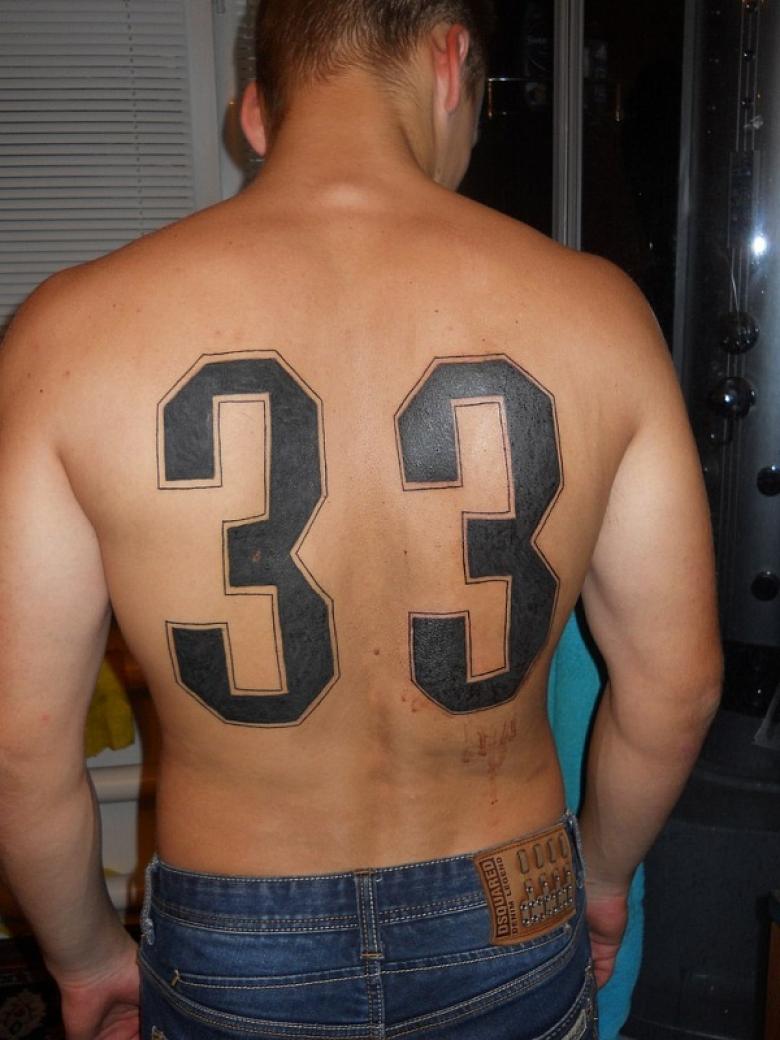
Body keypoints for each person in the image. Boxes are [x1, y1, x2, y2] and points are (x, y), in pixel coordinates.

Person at [0, 2, 722, 1038]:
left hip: (237, 939)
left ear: (257, 114)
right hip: (511, 904)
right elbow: (678, 689)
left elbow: (20, 747)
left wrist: (83, 956)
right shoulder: (601, 315)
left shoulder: (64, 338)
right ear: (451, 62)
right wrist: (599, 877)